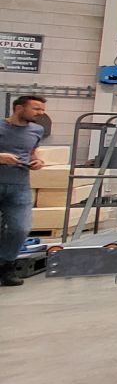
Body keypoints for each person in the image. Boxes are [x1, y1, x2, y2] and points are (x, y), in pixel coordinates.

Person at [0, 94, 48, 286]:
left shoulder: (37, 130)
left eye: (42, 109)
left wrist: (38, 162)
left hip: (19, 187)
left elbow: (32, 152)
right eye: (36, 109)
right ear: (19, 108)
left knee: (20, 228)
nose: (41, 113)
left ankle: (6, 266)